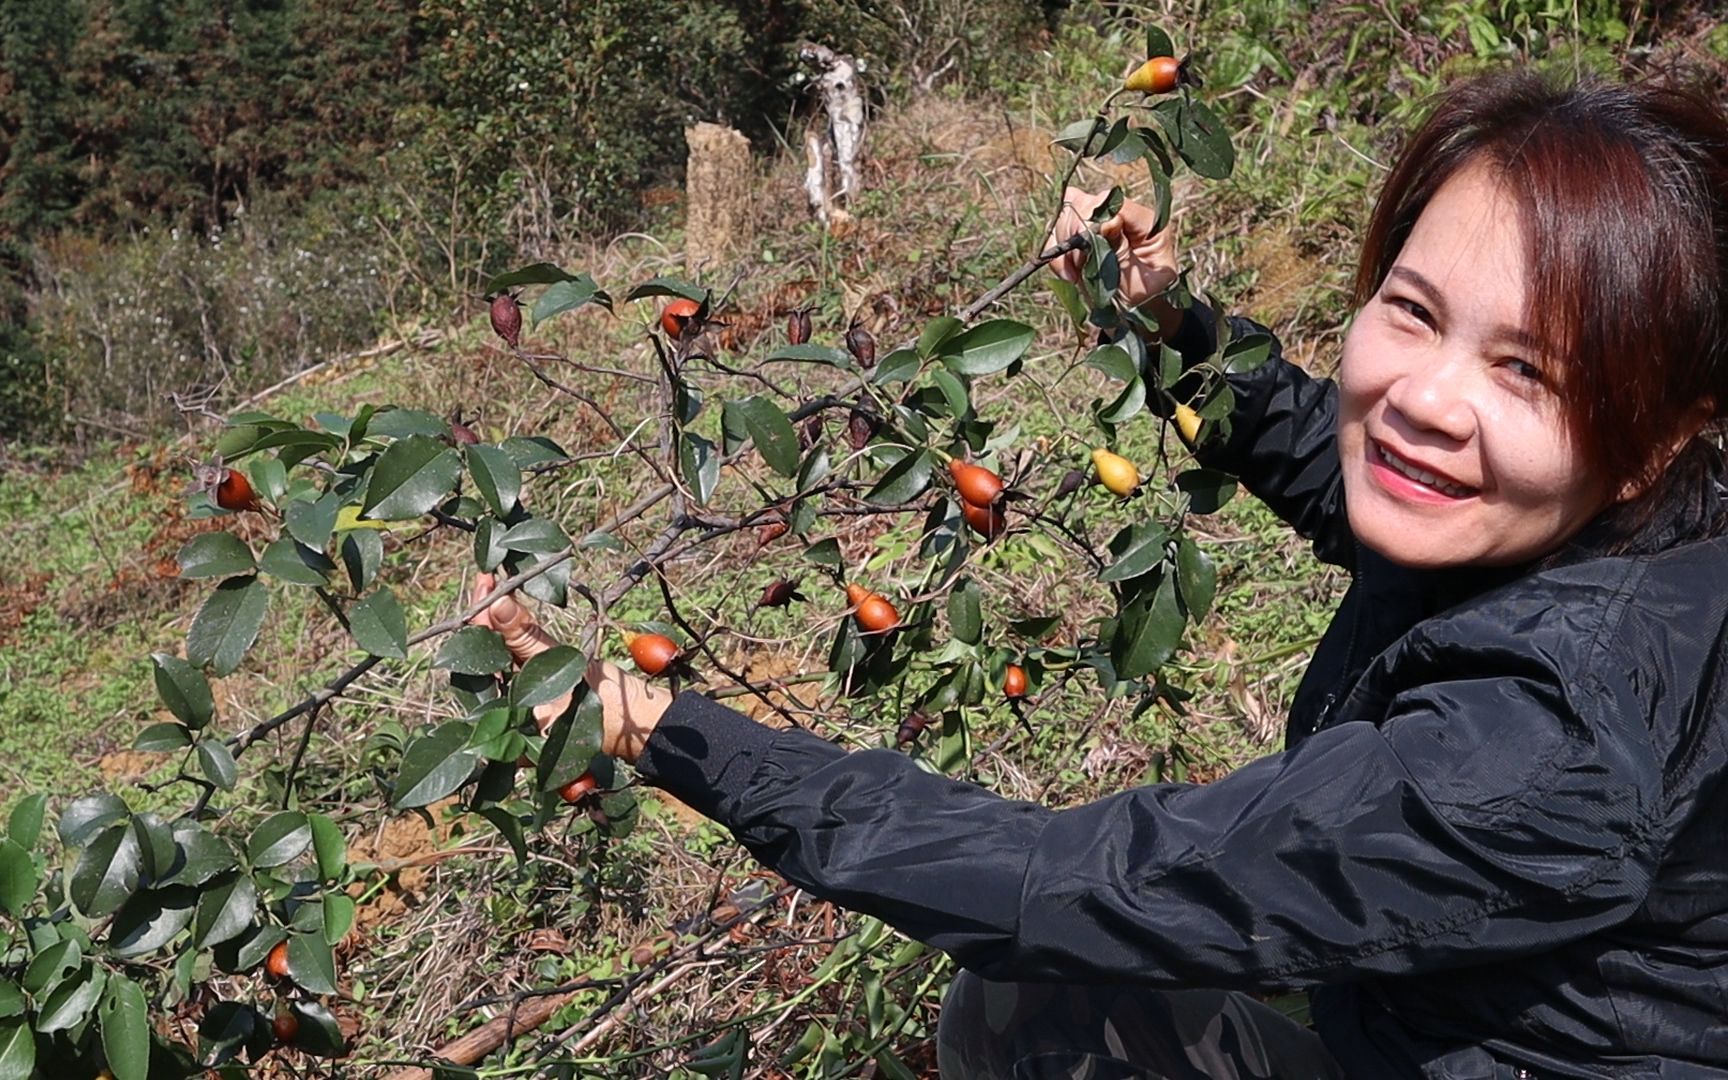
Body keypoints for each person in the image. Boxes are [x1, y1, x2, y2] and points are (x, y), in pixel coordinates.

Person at [471, 70, 1728, 1078]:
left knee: (1032, 999)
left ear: (1663, 428)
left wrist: (671, 731)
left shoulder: (1542, 745)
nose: (1425, 401)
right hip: (1447, 998)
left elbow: (1082, 883)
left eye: (1528, 370)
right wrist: (1170, 329)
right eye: (1411, 309)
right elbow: (1342, 475)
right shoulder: (1629, 529)